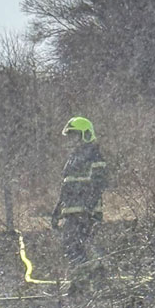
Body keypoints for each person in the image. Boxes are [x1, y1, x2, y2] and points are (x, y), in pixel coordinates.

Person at [51, 116, 107, 273]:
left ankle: (88, 277)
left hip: (85, 214)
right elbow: (66, 188)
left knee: (77, 246)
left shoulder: (94, 157)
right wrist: (57, 211)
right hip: (72, 213)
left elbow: (98, 185)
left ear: (86, 135)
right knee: (72, 247)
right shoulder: (72, 160)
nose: (71, 141)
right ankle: (87, 277)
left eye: (74, 136)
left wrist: (88, 209)